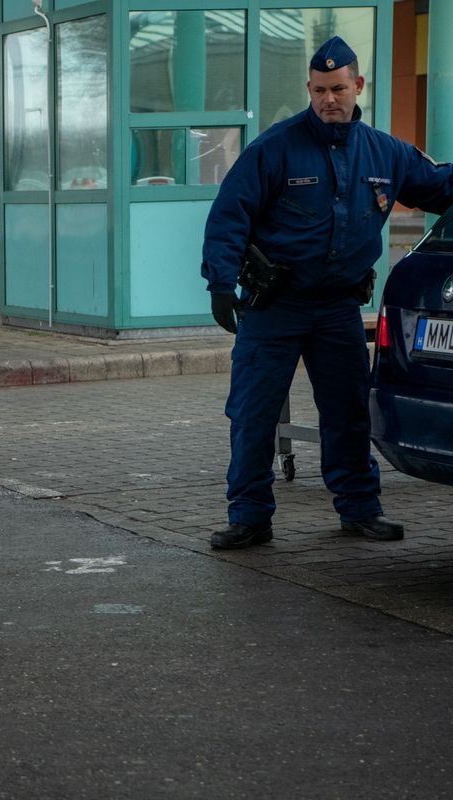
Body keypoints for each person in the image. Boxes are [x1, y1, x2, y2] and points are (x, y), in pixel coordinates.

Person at [202, 35, 453, 550]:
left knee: (347, 413)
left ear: (357, 85)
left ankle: (359, 509)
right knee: (253, 412)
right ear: (309, 89)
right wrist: (220, 283)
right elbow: (230, 215)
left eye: (338, 88)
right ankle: (249, 517)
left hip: (338, 306)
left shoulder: (386, 152)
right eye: (319, 90)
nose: (328, 99)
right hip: (275, 307)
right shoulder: (276, 147)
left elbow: (439, 187)